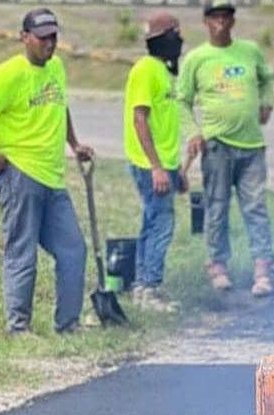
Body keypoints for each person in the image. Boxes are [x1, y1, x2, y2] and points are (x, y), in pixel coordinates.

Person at [0, 8, 93, 335]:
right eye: (42, 38)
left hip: (52, 177)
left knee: (73, 249)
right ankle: (18, 327)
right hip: (18, 175)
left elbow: (60, 107)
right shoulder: (8, 75)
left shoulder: (57, 68)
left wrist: (74, 144)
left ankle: (68, 324)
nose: (49, 44)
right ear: (25, 38)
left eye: (53, 37)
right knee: (22, 252)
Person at [178, 0, 274, 297]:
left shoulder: (249, 51)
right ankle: (217, 266)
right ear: (205, 22)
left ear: (233, 20)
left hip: (251, 145)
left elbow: (267, 78)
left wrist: (266, 101)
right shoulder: (197, 58)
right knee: (217, 206)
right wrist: (193, 132)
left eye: (226, 16)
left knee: (256, 207)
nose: (220, 22)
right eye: (214, 17)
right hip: (217, 146)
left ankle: (262, 270)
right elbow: (181, 100)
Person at [123, 10, 186, 313]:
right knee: (161, 225)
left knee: (151, 223)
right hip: (150, 166)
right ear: (163, 39)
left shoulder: (162, 70)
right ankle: (150, 288)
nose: (181, 41)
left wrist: (176, 170)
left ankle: (141, 286)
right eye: (176, 35)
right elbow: (140, 120)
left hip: (164, 165)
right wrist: (158, 167)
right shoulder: (146, 70)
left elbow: (167, 125)